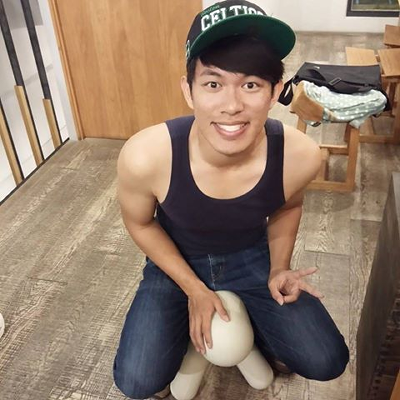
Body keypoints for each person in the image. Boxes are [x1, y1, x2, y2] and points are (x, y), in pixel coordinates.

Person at [113, 1, 349, 399]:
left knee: (326, 360)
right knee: (137, 382)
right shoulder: (147, 155)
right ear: (188, 90)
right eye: (213, 84)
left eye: (251, 85)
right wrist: (193, 289)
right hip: (177, 256)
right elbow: (141, 222)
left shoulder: (299, 155)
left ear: (275, 92)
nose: (232, 105)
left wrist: (278, 268)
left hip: (250, 255)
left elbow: (289, 206)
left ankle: (258, 327)